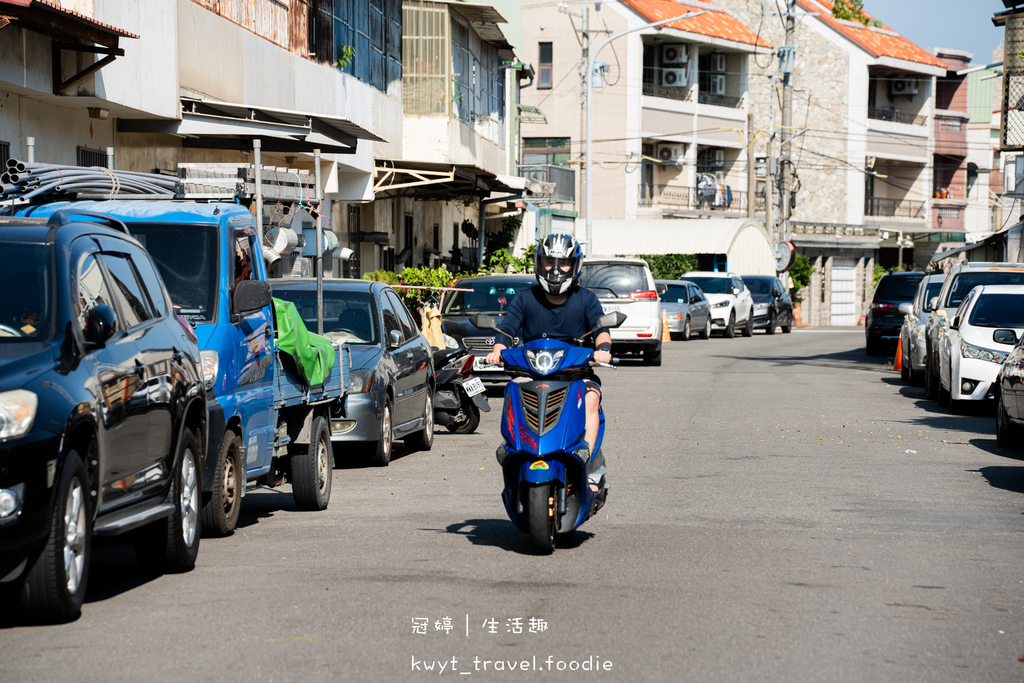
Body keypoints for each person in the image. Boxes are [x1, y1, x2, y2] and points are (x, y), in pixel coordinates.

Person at [485, 233, 612, 492]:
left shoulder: (586, 299)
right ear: (539, 263)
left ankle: (584, 459)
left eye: (563, 263)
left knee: (591, 398)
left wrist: (603, 349)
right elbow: (507, 329)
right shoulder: (524, 298)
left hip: (575, 375)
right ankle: (513, 449)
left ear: (574, 265)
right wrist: (498, 349)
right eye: (549, 262)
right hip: (531, 373)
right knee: (513, 390)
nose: (555, 269)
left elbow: (601, 328)